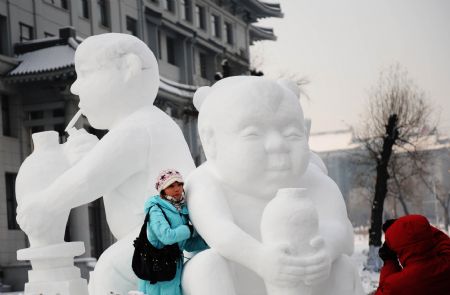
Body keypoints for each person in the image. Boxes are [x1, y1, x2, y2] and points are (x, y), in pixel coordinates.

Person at [16, 33, 196, 294]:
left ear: (129, 70)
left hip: (165, 237)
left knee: (108, 272)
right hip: (166, 234)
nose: (75, 88)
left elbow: (88, 179)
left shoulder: (139, 126)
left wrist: (44, 204)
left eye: (85, 74)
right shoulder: (146, 124)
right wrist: (95, 152)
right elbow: (108, 168)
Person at [182, 76, 364, 295]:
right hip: (241, 282)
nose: (278, 144)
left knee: (343, 267)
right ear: (211, 141)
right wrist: (260, 259)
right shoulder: (206, 181)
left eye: (291, 134)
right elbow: (220, 232)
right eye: (253, 134)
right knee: (205, 267)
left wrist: (326, 249)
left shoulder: (314, 179)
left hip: (307, 282)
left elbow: (339, 228)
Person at [139, 169, 208, 295]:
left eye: (180, 184)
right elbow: (167, 236)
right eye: (171, 186)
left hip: (174, 267)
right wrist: (190, 230)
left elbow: (186, 244)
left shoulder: (180, 209)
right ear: (163, 190)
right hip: (157, 266)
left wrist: (208, 241)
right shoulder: (155, 209)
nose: (177, 189)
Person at [376, 214, 450, 295]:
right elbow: (441, 239)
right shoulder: (446, 265)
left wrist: (389, 261)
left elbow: (383, 290)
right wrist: (418, 228)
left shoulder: (396, 285)